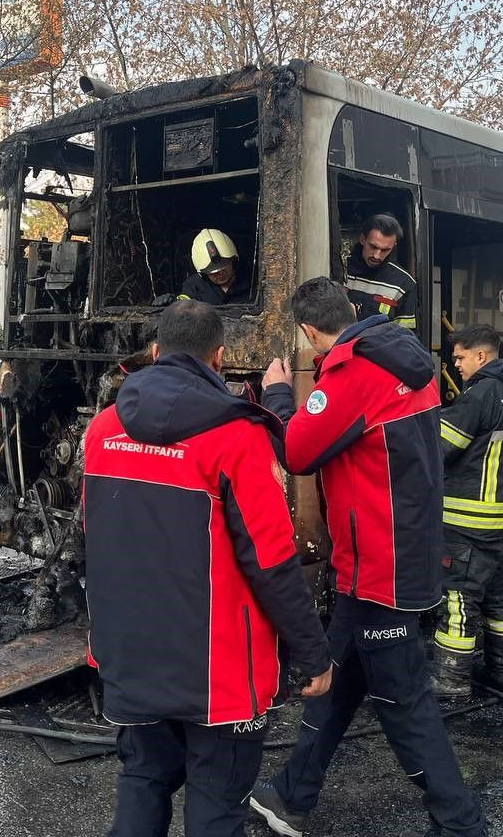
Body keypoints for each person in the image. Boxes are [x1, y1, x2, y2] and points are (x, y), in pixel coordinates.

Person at [83, 299, 332, 837]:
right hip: (219, 675)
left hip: (130, 656)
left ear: (155, 352)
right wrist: (313, 653)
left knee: (143, 779)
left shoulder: (103, 430)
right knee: (217, 807)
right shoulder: (237, 437)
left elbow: (95, 537)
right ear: (219, 357)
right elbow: (272, 561)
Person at [250, 277, 488, 837]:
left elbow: (297, 451)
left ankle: (460, 823)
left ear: (310, 331)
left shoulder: (353, 374)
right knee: (333, 680)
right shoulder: (401, 355)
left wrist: (278, 394)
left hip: (382, 567)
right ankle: (292, 797)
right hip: (389, 556)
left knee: (404, 703)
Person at [432, 325, 503, 698]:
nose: (456, 365)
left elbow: (442, 446)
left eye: (460, 357)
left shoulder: (479, 394)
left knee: (459, 596)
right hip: (500, 519)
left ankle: (451, 679)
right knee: (500, 594)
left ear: (481, 356)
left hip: (467, 520)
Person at [344, 213, 417, 330]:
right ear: (362, 239)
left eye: (385, 250)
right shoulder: (340, 269)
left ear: (394, 246)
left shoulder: (404, 283)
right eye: (373, 247)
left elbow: (405, 335)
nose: (377, 255)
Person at [179, 228, 252, 304]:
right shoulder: (192, 286)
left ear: (233, 261)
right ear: (203, 273)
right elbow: (183, 307)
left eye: (224, 268)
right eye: (213, 273)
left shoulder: (252, 281)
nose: (220, 274)